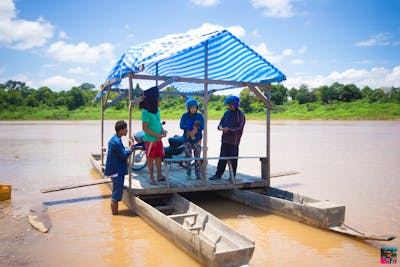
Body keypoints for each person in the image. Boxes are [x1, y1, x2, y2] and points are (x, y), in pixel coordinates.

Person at [209, 96, 245, 180]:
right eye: (229, 104)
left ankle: (232, 176)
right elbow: (220, 124)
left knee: (233, 160)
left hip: (234, 141)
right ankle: (218, 175)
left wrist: (229, 130)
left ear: (236, 105)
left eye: (231, 104)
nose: (229, 106)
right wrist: (221, 128)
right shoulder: (226, 113)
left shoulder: (240, 114)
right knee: (222, 159)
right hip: (224, 140)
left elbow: (239, 128)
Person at [104, 120, 134, 215]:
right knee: (116, 195)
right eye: (125, 129)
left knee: (116, 192)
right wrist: (131, 147)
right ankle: (115, 215)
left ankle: (115, 214)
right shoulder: (116, 142)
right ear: (121, 130)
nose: (127, 131)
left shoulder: (115, 139)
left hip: (114, 168)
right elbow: (124, 155)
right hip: (115, 170)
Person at [139, 86, 166, 185]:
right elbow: (145, 128)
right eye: (158, 98)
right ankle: (151, 177)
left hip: (158, 139)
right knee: (150, 158)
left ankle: (159, 175)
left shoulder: (156, 110)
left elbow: (158, 123)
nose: (159, 100)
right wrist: (157, 135)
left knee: (159, 157)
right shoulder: (145, 112)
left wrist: (162, 131)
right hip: (150, 140)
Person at [180, 98, 204, 179]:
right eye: (191, 107)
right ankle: (188, 173)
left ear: (197, 108)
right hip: (187, 140)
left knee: (197, 157)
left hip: (197, 139)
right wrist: (190, 128)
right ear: (188, 108)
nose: (193, 109)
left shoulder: (200, 116)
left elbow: (202, 126)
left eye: (195, 107)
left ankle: (198, 173)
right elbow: (181, 125)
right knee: (188, 157)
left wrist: (195, 130)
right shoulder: (185, 116)